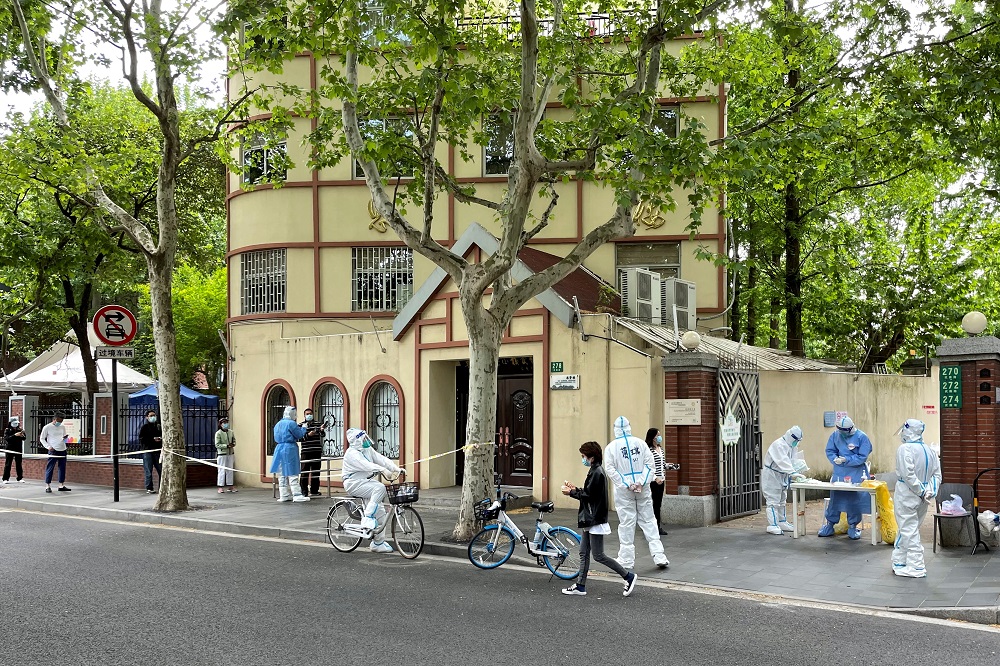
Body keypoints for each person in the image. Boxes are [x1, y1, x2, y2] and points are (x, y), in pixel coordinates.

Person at [561, 441, 638, 597]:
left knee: (598, 555)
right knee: (583, 552)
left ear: (591, 457)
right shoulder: (595, 470)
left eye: (583, 456)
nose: (582, 459)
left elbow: (589, 496)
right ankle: (580, 586)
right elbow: (589, 492)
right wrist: (575, 489)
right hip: (591, 518)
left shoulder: (597, 472)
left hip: (594, 519)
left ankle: (628, 576)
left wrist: (571, 493)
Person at [605, 416, 669, 569]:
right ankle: (659, 555)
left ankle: (626, 559)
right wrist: (641, 482)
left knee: (627, 523)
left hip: (624, 491)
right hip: (643, 488)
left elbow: (610, 469)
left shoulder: (611, 447)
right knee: (649, 520)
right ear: (629, 427)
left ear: (615, 429)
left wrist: (627, 484)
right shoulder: (641, 444)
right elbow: (650, 465)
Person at [892, 419, 941, 578]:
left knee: (908, 529)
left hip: (907, 494)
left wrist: (920, 491)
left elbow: (908, 475)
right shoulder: (929, 450)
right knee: (908, 528)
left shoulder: (905, 449)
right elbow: (937, 475)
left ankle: (916, 566)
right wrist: (929, 491)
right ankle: (900, 560)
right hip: (923, 497)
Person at [342, 427, 403, 554]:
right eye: (363, 438)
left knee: (380, 512)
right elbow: (366, 465)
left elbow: (381, 459)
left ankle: (378, 543)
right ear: (356, 441)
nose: (366, 440)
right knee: (380, 487)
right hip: (353, 483)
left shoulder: (367, 449)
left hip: (366, 482)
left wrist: (395, 468)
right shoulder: (352, 453)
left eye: (366, 437)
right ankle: (368, 517)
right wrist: (381, 469)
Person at [818, 415, 872, 540]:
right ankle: (830, 525)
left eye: (844, 431)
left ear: (850, 428)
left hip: (856, 472)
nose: (842, 433)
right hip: (839, 473)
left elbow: (862, 456)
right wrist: (835, 459)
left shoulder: (861, 437)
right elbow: (830, 450)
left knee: (854, 500)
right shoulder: (835, 435)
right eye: (839, 430)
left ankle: (853, 526)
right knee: (835, 499)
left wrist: (846, 459)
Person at [761, 426, 804, 535]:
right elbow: (782, 461)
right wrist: (792, 472)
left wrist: (799, 468)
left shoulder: (792, 446)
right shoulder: (778, 444)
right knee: (773, 500)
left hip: (782, 475)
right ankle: (773, 524)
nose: (796, 443)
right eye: (796, 440)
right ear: (790, 436)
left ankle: (781, 521)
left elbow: (793, 460)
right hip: (772, 475)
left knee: (782, 500)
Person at [271, 406, 310, 502]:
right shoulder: (291, 424)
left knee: (282, 473)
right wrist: (304, 428)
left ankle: (283, 495)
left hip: (279, 448)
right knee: (292, 471)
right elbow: (299, 435)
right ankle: (296, 494)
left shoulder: (278, 424)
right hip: (289, 448)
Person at [645, 427, 668, 536]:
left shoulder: (660, 449)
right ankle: (654, 527)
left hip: (661, 480)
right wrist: (655, 477)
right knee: (653, 504)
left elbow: (662, 464)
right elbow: (647, 467)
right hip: (653, 481)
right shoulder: (649, 450)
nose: (659, 437)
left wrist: (670, 467)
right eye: (657, 435)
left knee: (658, 504)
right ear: (653, 437)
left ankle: (657, 525)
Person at [40, 413, 70, 493]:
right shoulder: (47, 427)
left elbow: (64, 438)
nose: (60, 422)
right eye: (59, 421)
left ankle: (61, 485)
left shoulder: (62, 427)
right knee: (50, 467)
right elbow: (42, 438)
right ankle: (48, 485)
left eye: (62, 421)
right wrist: (48, 447)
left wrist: (66, 439)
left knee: (62, 468)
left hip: (62, 449)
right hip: (53, 450)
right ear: (55, 419)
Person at [298, 408, 325, 497]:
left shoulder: (317, 424)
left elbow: (323, 435)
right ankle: (304, 491)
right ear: (304, 415)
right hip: (306, 451)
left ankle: (314, 490)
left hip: (316, 450)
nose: (309, 415)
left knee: (316, 472)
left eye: (310, 414)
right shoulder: (300, 425)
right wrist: (308, 435)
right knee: (304, 472)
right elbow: (298, 438)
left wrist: (321, 430)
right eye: (307, 414)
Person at [137, 410, 162, 494]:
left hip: (157, 451)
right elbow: (142, 439)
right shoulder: (144, 427)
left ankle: (161, 487)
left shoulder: (158, 427)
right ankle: (149, 487)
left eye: (154, 415)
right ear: (147, 417)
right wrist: (152, 440)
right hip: (148, 451)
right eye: (151, 415)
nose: (153, 417)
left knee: (161, 469)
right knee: (148, 470)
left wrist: (159, 440)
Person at [214, 418, 237, 493]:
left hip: (230, 453)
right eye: (224, 423)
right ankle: (220, 487)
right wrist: (226, 446)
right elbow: (217, 444)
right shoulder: (218, 433)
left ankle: (230, 485)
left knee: (230, 469)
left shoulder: (231, 432)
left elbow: (234, 440)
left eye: (226, 422)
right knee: (221, 470)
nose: (226, 424)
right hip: (222, 454)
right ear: (220, 424)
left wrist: (232, 444)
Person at [2, 416, 26, 484]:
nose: (16, 426)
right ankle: (5, 478)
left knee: (19, 463)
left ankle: (20, 477)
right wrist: (15, 435)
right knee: (8, 464)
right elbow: (7, 439)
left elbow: (24, 438)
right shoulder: (7, 430)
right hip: (10, 448)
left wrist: (22, 435)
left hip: (18, 448)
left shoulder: (19, 429)